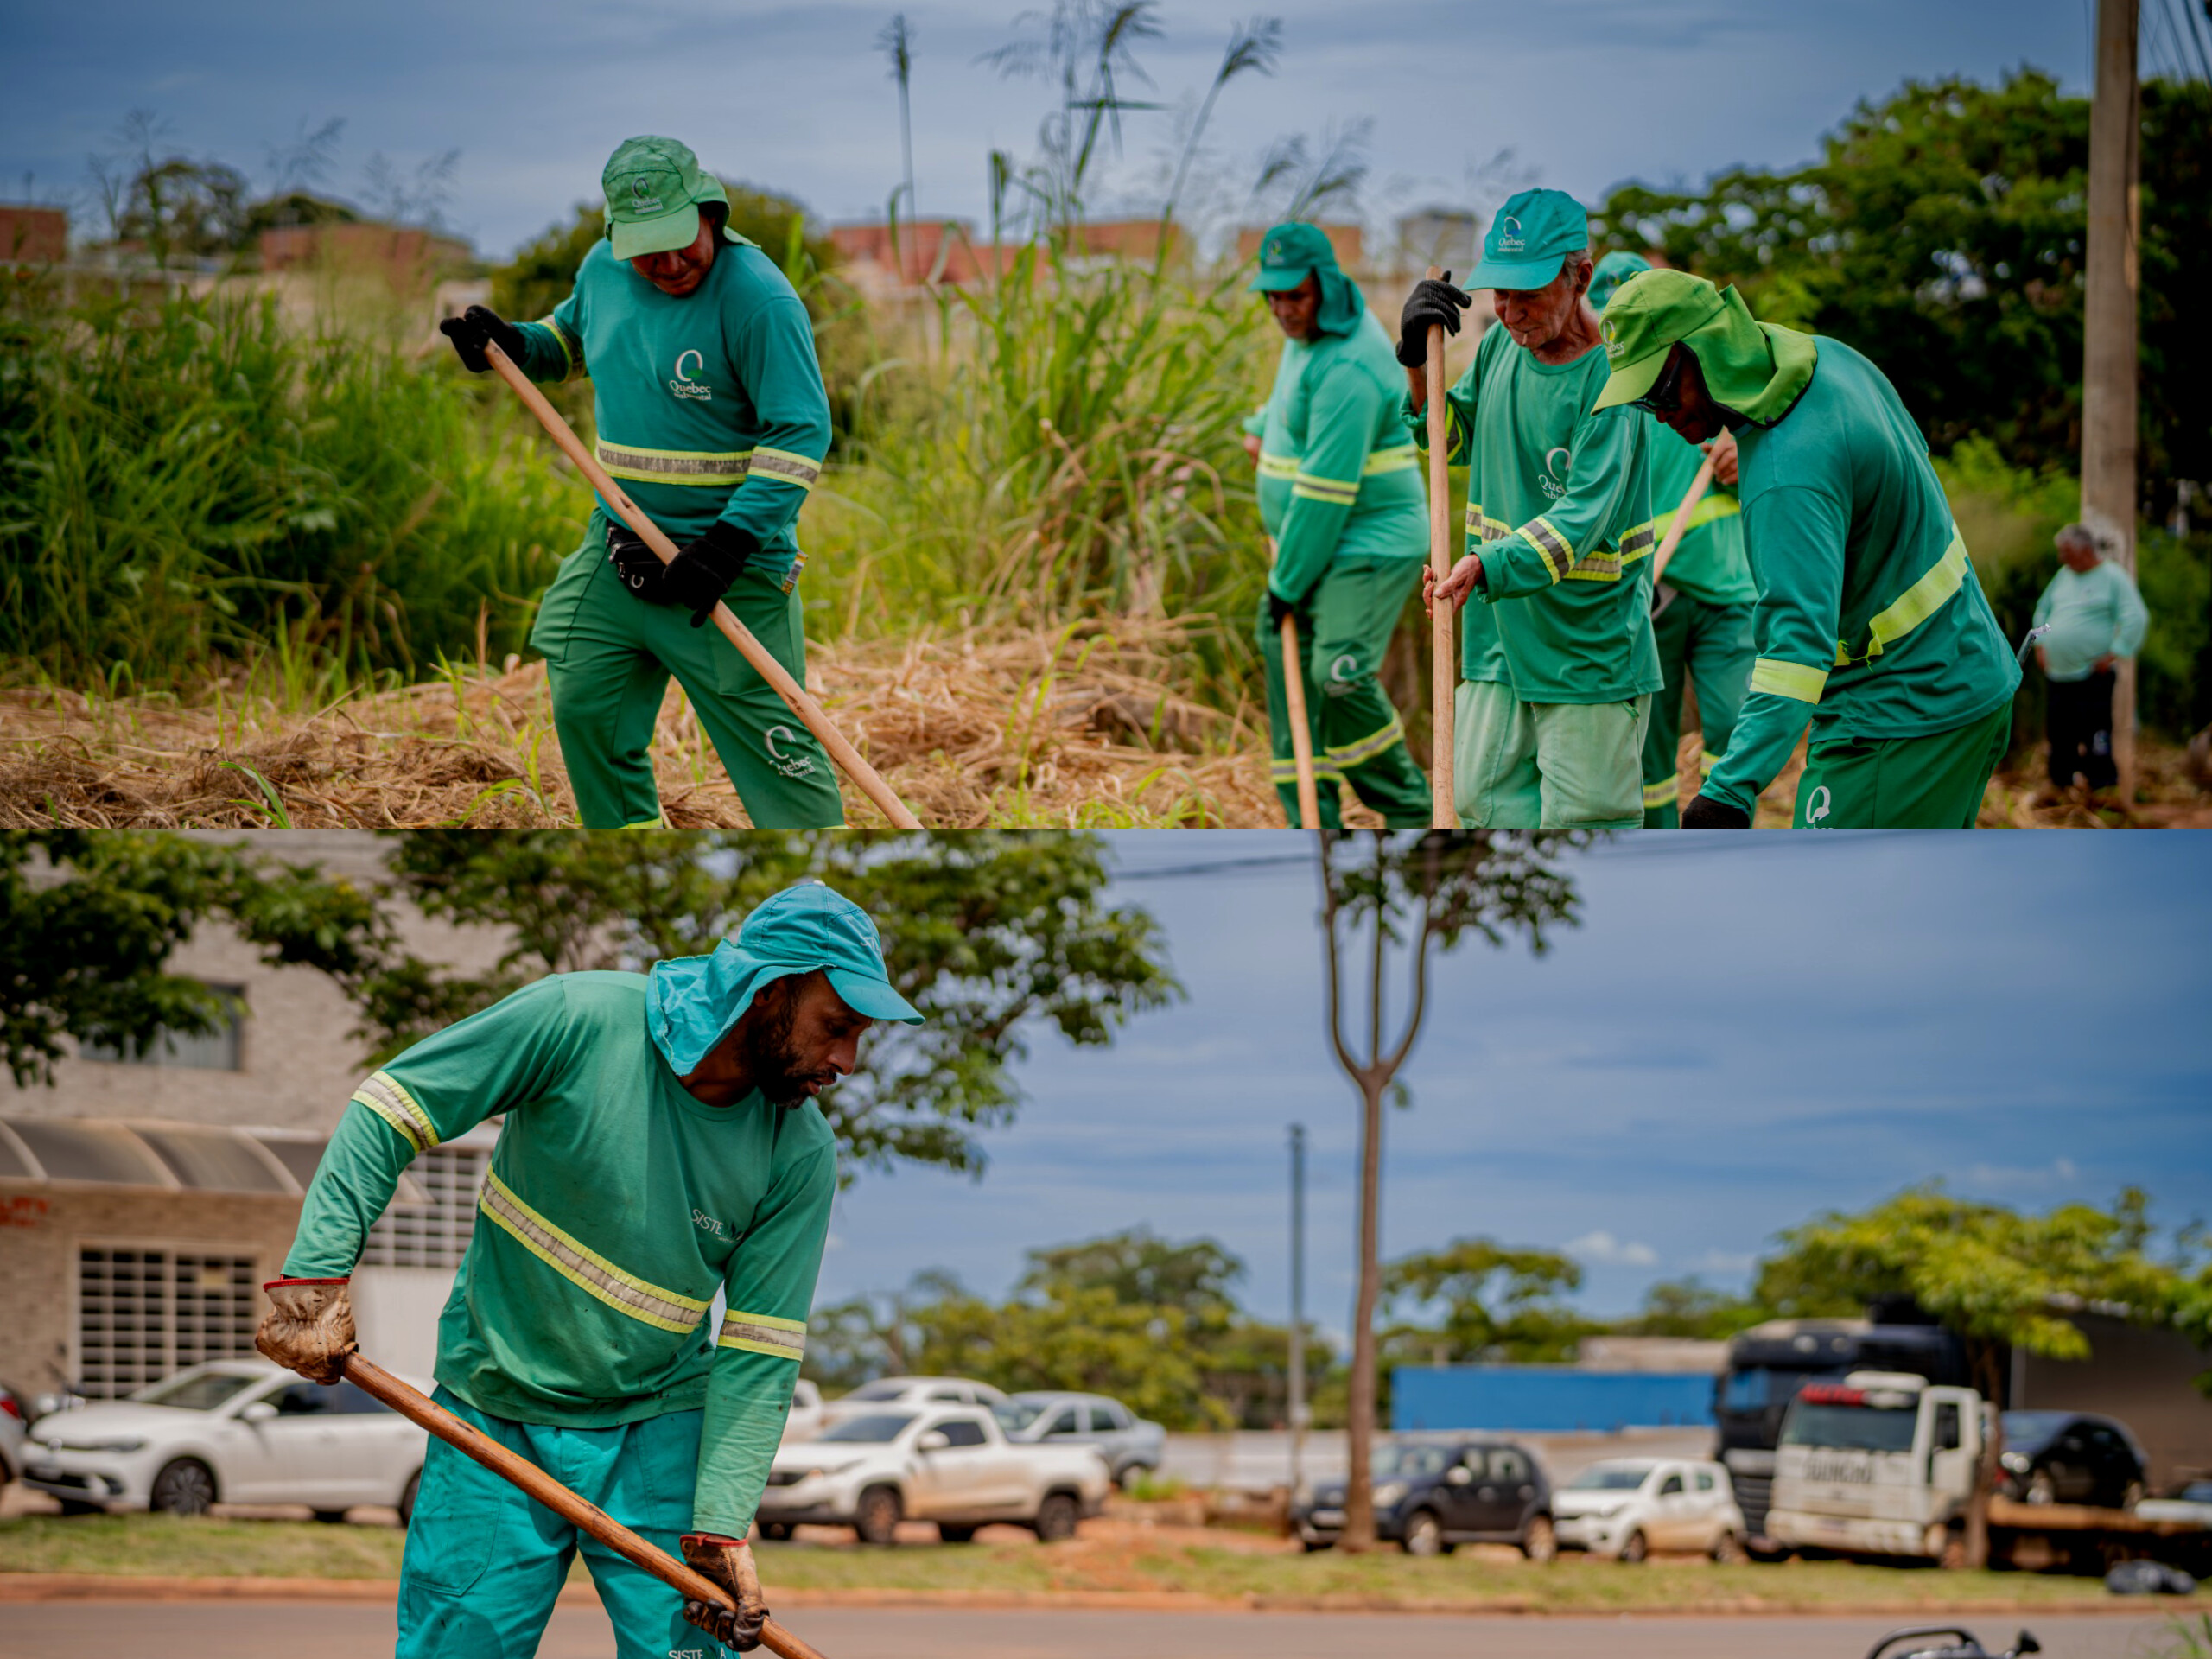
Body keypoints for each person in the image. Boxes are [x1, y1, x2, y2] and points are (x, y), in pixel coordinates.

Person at [255, 884, 925, 1659]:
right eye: (837, 1028)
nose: (846, 1061)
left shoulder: (799, 1151)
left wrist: (720, 1523)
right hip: (492, 1409)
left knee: (686, 1654)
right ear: (769, 992)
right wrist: (315, 1277)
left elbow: (761, 1349)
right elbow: (391, 1108)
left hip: (660, 1429)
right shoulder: (579, 1017)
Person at [438, 136, 842, 830]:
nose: (670, 261)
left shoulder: (760, 300)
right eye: (648, 247)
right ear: (618, 239)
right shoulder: (603, 270)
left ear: (710, 212)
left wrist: (726, 546)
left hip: (727, 568)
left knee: (780, 755)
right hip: (620, 543)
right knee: (585, 700)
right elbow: (569, 343)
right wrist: (511, 343)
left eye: (682, 239)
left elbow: (800, 433)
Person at [1592, 269, 2020, 828]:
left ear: (1706, 348)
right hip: (1968, 673)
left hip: (1902, 713)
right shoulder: (1820, 357)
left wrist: (1727, 791)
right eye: (1643, 403)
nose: (1662, 415)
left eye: (1662, 391)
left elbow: (1795, 654)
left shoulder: (1784, 477)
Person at [1400, 189, 1659, 829]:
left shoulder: (1615, 380)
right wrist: (1413, 358)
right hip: (1498, 640)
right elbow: (1447, 438)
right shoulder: (1497, 351)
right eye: (1501, 293)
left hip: (1588, 649)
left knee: (1585, 821)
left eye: (1530, 293)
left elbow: (1581, 519)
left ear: (1581, 279)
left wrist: (1483, 566)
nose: (1511, 313)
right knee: (1477, 803)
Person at [1245, 222, 1433, 826]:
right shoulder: (1309, 332)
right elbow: (1294, 401)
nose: (1281, 310)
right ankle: (1311, 814)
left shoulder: (1350, 364)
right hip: (1319, 541)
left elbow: (1326, 495)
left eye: (1293, 296)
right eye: (1271, 297)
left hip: (1368, 539)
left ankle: (1410, 808)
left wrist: (1286, 584)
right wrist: (1260, 423)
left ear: (1325, 286)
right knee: (1282, 649)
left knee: (1337, 677)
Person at [1586, 252, 1758, 828]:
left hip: (1725, 585)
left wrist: (1743, 443)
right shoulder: (1609, 396)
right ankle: (1658, 840)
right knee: (1646, 753)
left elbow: (1768, 419)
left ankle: (1726, 839)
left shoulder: (1711, 382)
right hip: (1643, 590)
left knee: (1736, 730)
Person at [2034, 523, 2148, 795]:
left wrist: (2116, 652)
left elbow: (2136, 617)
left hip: (2092, 674)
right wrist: (2041, 644)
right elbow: (2043, 609)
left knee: (2096, 733)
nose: (2062, 558)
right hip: (2058, 673)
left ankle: (2102, 791)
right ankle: (2060, 786)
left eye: (2067, 551)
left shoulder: (2112, 577)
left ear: (2085, 550)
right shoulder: (2063, 575)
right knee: (2059, 734)